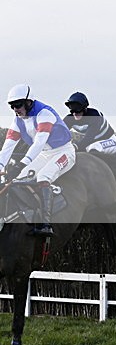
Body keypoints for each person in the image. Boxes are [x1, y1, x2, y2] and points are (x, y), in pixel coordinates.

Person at [0, 84, 77, 236]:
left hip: (63, 152)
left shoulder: (44, 114)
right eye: (12, 106)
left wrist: (21, 164)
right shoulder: (18, 121)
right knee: (18, 180)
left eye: (18, 105)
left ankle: (46, 224)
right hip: (44, 154)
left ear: (29, 102)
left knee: (43, 177)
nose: (15, 109)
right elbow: (7, 147)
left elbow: (39, 143)